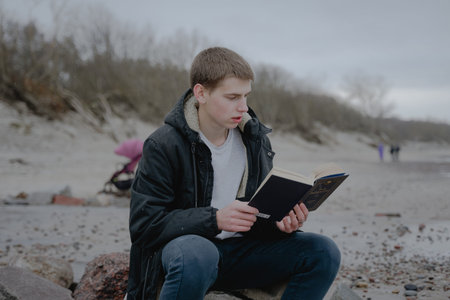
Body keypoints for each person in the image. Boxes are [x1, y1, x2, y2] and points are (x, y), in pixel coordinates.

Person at [126, 47, 341, 300]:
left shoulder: (254, 140)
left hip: (241, 253)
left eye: (246, 96)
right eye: (232, 97)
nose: (243, 107)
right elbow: (144, 226)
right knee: (198, 252)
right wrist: (214, 219)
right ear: (201, 93)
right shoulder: (164, 144)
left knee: (323, 251)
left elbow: (258, 215)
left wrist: (281, 224)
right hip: (187, 256)